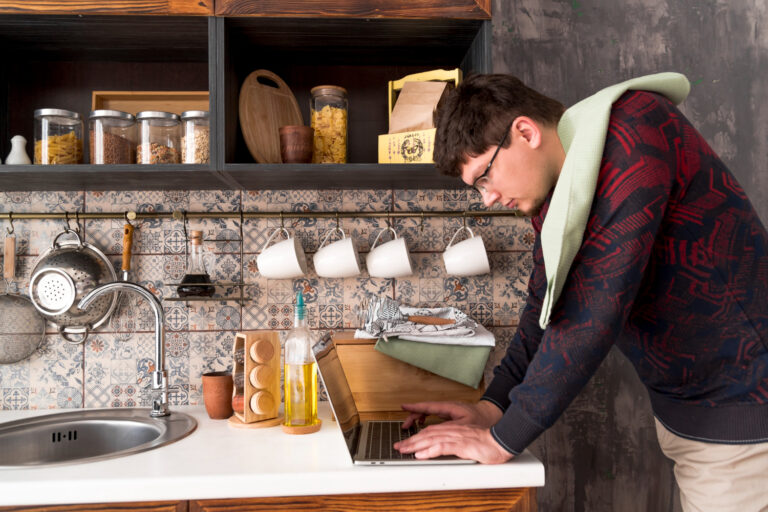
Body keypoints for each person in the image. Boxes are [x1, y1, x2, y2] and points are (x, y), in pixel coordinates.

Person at [393, 73, 768, 511]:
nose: (487, 198)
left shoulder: (634, 130)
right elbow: (544, 309)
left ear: (525, 132)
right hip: (699, 418)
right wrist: (493, 407)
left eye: (483, 177)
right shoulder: (564, 195)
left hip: (745, 418)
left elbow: (594, 312)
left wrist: (502, 439)